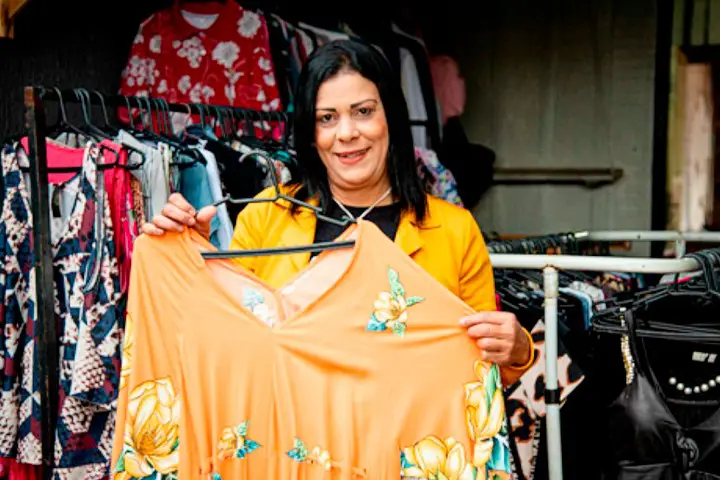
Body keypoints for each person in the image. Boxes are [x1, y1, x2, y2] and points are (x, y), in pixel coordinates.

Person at [142, 39, 534, 385]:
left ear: (391, 119)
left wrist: (517, 350)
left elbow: (482, 374)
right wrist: (190, 258)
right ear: (311, 135)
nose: (346, 133)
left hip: (407, 440)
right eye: (326, 118)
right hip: (288, 438)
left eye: (363, 111)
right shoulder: (265, 217)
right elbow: (218, 340)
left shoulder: (453, 229)